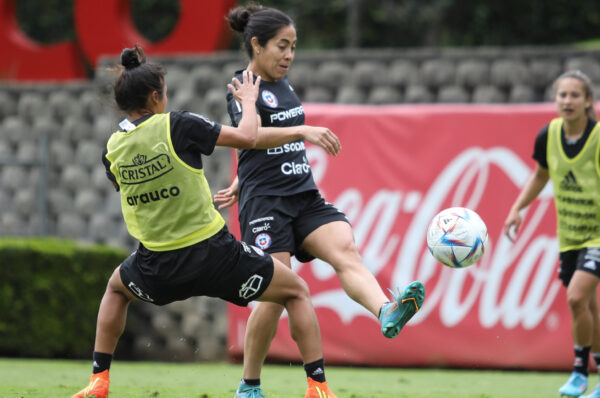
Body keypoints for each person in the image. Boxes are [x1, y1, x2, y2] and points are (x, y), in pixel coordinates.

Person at [71, 45, 338, 398]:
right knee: (296, 291)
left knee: (116, 290)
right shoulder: (179, 124)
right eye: (163, 92)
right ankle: (317, 387)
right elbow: (247, 138)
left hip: (157, 266)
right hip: (215, 257)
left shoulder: (113, 149)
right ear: (155, 96)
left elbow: (145, 188)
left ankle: (99, 381)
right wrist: (248, 102)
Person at [215, 5, 425, 397]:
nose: (289, 55)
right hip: (267, 204)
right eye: (282, 46)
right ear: (256, 45)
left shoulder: (284, 84)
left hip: (302, 194)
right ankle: (249, 385)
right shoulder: (243, 86)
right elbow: (251, 136)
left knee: (346, 250)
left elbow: (260, 146)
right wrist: (304, 131)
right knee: (276, 295)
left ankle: (387, 311)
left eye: (293, 47)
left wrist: (239, 176)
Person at [504, 70, 600, 398]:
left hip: (598, 236)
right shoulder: (549, 135)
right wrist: (517, 208)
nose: (568, 101)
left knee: (576, 298)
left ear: (589, 101)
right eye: (562, 95)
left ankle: (578, 371)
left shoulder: (598, 138)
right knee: (587, 305)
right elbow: (540, 175)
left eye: (575, 95)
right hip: (570, 235)